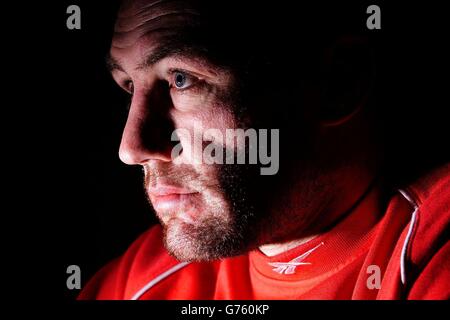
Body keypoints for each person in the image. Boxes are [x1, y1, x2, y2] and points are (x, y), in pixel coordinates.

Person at [79, 0, 449, 299]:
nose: (132, 148)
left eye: (181, 79)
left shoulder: (432, 253)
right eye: (129, 85)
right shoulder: (141, 280)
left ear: (340, 82)